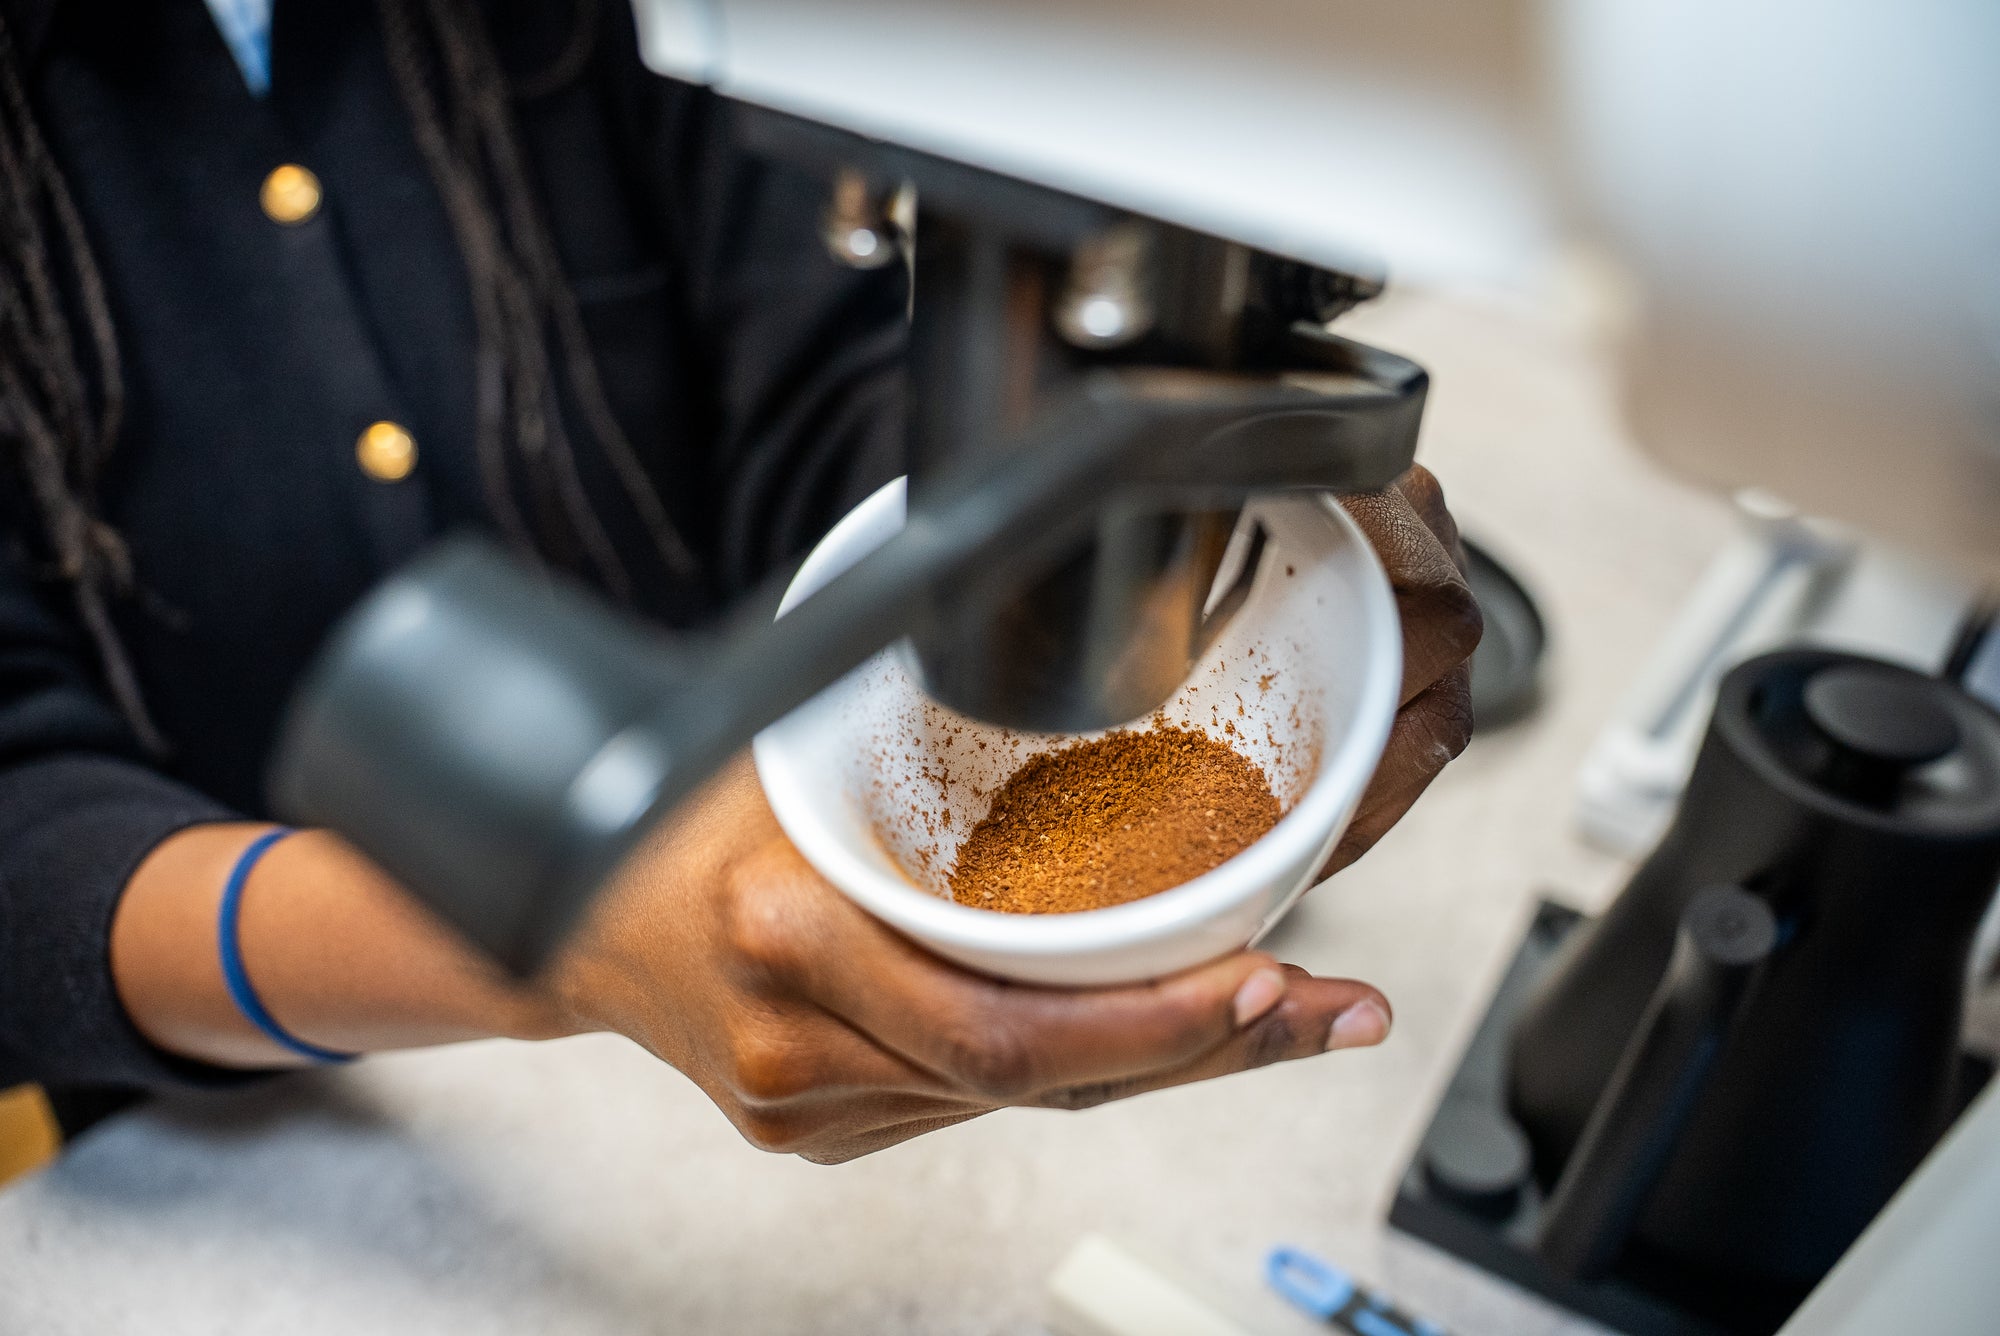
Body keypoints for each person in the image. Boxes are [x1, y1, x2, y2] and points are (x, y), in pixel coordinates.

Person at [0, 0, 1479, 1166]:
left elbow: (827, 366)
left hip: (778, 894)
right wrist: (569, 952)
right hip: (246, 1163)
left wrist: (1140, 481)